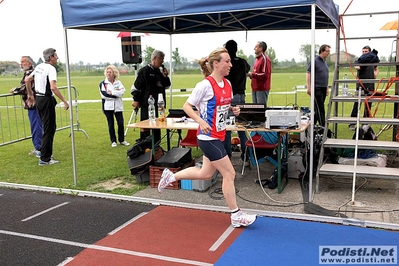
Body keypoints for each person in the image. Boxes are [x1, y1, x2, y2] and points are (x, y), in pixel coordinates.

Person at [157, 47, 257, 228]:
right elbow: (187, 106)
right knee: (229, 173)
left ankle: (170, 176)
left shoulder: (227, 85)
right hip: (207, 137)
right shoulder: (204, 85)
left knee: (205, 173)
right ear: (216, 64)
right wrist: (200, 121)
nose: (230, 65)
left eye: (230, 61)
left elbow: (223, 109)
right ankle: (236, 215)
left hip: (219, 135)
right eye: (227, 61)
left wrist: (233, 111)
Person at [25, 48, 69, 166]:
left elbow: (27, 79)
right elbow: (53, 87)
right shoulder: (51, 69)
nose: (57, 57)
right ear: (51, 57)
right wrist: (64, 101)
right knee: (49, 128)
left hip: (39, 99)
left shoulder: (39, 66)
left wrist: (31, 95)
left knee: (47, 126)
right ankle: (45, 158)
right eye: (56, 55)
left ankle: (43, 153)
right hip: (46, 99)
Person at [131, 50, 171, 144]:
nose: (162, 61)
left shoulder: (159, 72)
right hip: (147, 104)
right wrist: (136, 99)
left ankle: (157, 146)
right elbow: (136, 87)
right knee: (147, 126)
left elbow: (166, 86)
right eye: (161, 59)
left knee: (158, 125)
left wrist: (165, 76)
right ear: (154, 58)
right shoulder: (144, 71)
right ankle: (146, 146)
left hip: (159, 104)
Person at [223, 40, 250, 163]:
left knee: (227, 127)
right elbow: (248, 69)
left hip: (229, 96)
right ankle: (246, 154)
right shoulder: (243, 62)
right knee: (241, 127)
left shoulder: (227, 63)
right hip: (241, 96)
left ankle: (227, 155)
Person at [10, 56, 42, 156]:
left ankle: (39, 148)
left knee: (36, 126)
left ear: (30, 63)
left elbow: (25, 88)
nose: (21, 64)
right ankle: (40, 147)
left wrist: (14, 90)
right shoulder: (33, 72)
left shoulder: (30, 73)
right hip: (37, 103)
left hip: (33, 104)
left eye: (23, 62)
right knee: (38, 125)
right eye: (21, 62)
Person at [348, 46, 380, 130]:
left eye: (366, 51)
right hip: (360, 87)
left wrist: (375, 75)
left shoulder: (373, 61)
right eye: (363, 51)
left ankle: (364, 124)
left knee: (368, 105)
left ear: (369, 52)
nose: (364, 53)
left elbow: (376, 69)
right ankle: (352, 123)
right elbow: (357, 66)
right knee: (357, 105)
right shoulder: (359, 60)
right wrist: (359, 66)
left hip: (370, 86)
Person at [99, 65, 130, 147]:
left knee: (120, 123)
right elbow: (104, 95)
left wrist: (112, 93)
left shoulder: (118, 83)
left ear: (114, 73)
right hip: (108, 107)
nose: (108, 74)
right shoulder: (103, 84)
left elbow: (122, 92)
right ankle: (113, 141)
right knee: (111, 124)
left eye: (110, 72)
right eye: (107, 72)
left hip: (118, 106)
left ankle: (122, 140)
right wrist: (116, 95)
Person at [306, 44, 331, 127]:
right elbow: (308, 74)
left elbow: (325, 75)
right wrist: (309, 87)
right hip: (316, 88)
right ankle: (323, 126)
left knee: (318, 109)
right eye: (327, 51)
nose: (328, 53)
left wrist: (327, 87)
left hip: (323, 88)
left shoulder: (325, 62)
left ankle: (312, 125)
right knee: (320, 107)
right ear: (322, 51)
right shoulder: (315, 61)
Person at [247, 41, 272, 106]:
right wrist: (250, 75)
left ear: (261, 48)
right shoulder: (257, 59)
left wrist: (252, 75)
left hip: (262, 88)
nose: (254, 48)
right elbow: (256, 73)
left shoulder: (265, 59)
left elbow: (265, 75)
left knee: (260, 111)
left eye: (256, 47)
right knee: (255, 110)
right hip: (255, 88)